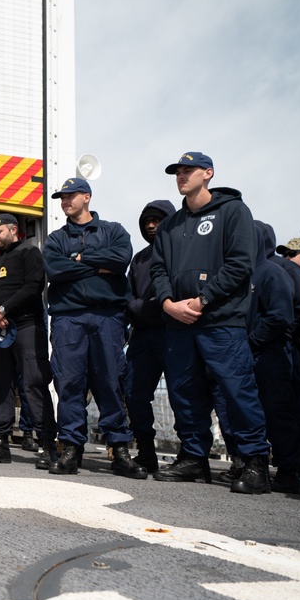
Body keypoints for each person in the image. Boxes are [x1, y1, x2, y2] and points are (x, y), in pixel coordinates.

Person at [149, 152, 270, 494]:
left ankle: (254, 461)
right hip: (178, 322)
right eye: (177, 172)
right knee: (184, 392)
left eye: (188, 171)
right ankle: (193, 457)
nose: (181, 176)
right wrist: (168, 303)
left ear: (209, 173)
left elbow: (240, 264)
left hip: (221, 320)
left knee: (236, 390)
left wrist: (203, 299)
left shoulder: (233, 211)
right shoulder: (171, 224)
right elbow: (158, 270)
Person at [43, 178, 145, 479]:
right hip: (68, 318)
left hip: (107, 316)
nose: (64, 202)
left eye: (70, 196)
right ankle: (72, 447)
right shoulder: (55, 239)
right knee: (69, 383)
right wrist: (97, 266)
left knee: (110, 382)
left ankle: (120, 449)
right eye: (61, 198)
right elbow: (54, 269)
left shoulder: (113, 231)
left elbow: (120, 259)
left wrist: (79, 259)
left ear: (87, 197)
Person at [0, 213, 55, 466]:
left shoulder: (29, 253)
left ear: (14, 230)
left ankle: (48, 445)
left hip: (27, 326)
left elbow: (34, 286)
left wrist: (4, 309)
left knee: (34, 383)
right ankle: (0, 442)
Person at [248, 221, 300, 493]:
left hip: (271, 353)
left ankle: (290, 469)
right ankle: (253, 463)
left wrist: (252, 341)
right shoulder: (241, 273)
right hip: (249, 353)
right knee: (251, 411)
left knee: (279, 410)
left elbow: (281, 316)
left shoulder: (272, 273)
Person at [123, 199, 176, 473]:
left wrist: (147, 305)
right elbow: (128, 297)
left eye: (157, 220)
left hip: (174, 333)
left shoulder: (182, 251)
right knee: (134, 393)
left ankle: (193, 456)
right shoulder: (139, 258)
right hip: (142, 336)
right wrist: (144, 307)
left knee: (183, 394)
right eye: (147, 222)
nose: (152, 225)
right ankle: (145, 452)